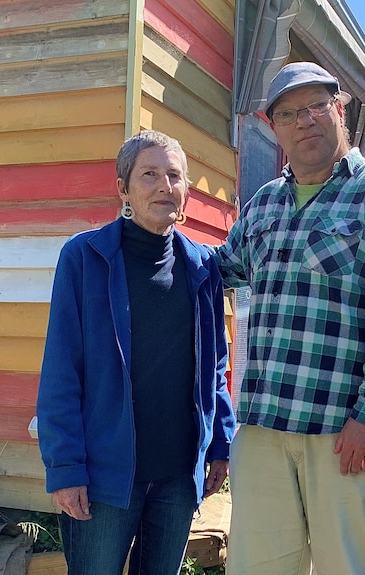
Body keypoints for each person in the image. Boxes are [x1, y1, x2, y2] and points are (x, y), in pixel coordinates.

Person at [215, 62, 365, 575]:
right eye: (288, 113)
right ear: (274, 128)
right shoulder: (264, 205)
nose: (304, 121)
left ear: (341, 110)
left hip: (344, 432)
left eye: (316, 106)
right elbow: (220, 270)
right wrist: (154, 237)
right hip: (265, 426)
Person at [36, 130, 236, 575]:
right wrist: (66, 468)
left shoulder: (203, 267)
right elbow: (61, 370)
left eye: (174, 175)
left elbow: (215, 365)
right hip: (106, 479)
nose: (165, 185)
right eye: (149, 174)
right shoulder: (84, 258)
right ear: (123, 188)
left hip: (177, 478)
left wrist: (221, 443)